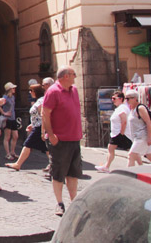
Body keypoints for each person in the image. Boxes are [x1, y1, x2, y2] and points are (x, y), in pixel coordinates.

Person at [42, 66, 82, 217]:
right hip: (60, 139)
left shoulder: (75, 90)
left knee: (73, 172)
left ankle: (74, 201)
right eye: (73, 74)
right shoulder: (53, 91)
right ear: (65, 76)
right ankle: (59, 203)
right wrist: (50, 134)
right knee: (58, 172)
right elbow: (45, 113)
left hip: (74, 138)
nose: (75, 77)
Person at [5, 84, 47, 171]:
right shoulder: (39, 100)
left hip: (39, 128)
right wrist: (32, 124)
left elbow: (43, 116)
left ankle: (18, 164)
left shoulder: (41, 101)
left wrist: (42, 129)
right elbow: (38, 116)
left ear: (35, 92)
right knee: (46, 148)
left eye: (31, 91)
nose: (30, 92)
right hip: (37, 126)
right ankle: (54, 165)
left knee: (27, 144)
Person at [95, 91, 132, 172]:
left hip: (121, 134)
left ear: (121, 99)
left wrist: (121, 133)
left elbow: (124, 121)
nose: (112, 100)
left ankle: (107, 166)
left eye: (114, 98)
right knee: (114, 149)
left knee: (131, 151)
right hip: (117, 133)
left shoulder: (122, 108)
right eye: (112, 98)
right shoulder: (120, 108)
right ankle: (106, 166)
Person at [124, 89, 151, 166]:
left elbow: (148, 122)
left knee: (131, 155)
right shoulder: (132, 109)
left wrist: (149, 137)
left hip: (142, 137)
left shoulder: (140, 108)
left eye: (128, 98)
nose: (126, 100)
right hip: (137, 137)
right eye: (125, 98)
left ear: (135, 98)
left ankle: (130, 175)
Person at [41, 76, 55, 174]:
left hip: (52, 126)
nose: (42, 87)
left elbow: (45, 113)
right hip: (52, 126)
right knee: (49, 149)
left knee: (52, 149)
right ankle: (51, 165)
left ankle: (53, 168)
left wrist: (44, 130)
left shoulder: (50, 94)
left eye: (43, 85)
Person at [1, 82, 19, 160]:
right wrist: (4, 113)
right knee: (7, 137)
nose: (14, 89)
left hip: (13, 118)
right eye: (13, 88)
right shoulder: (5, 97)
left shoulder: (13, 97)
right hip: (7, 119)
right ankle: (7, 154)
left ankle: (12, 152)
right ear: (9, 89)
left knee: (15, 136)